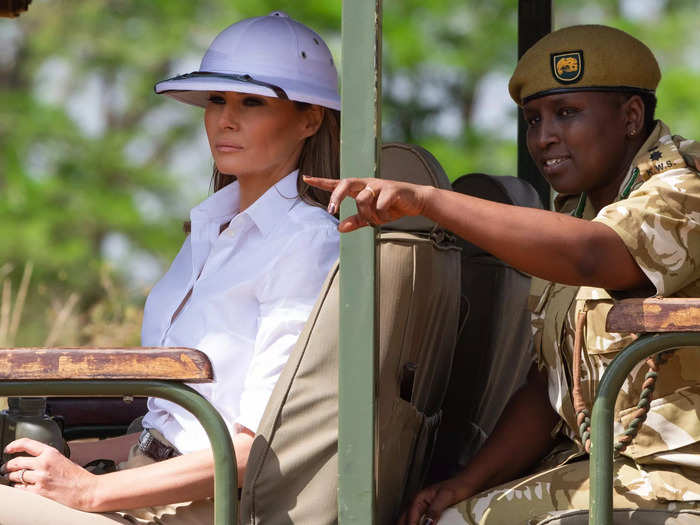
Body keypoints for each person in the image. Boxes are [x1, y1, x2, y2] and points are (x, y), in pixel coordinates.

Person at [306, 25, 700, 524]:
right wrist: (465, 483)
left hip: (675, 479)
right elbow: (550, 387)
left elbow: (597, 257)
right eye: (533, 119)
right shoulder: (578, 213)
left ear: (630, 117)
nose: (544, 137)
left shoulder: (684, 186)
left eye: (567, 113)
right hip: (606, 472)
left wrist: (428, 201)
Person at [0, 11, 340, 524]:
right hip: (144, 484)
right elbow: (169, 424)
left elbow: (263, 445)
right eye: (216, 101)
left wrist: (88, 493)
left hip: (207, 508)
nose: (225, 119)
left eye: (252, 103)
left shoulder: (306, 244)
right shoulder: (210, 230)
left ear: (309, 119)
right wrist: (70, 463)